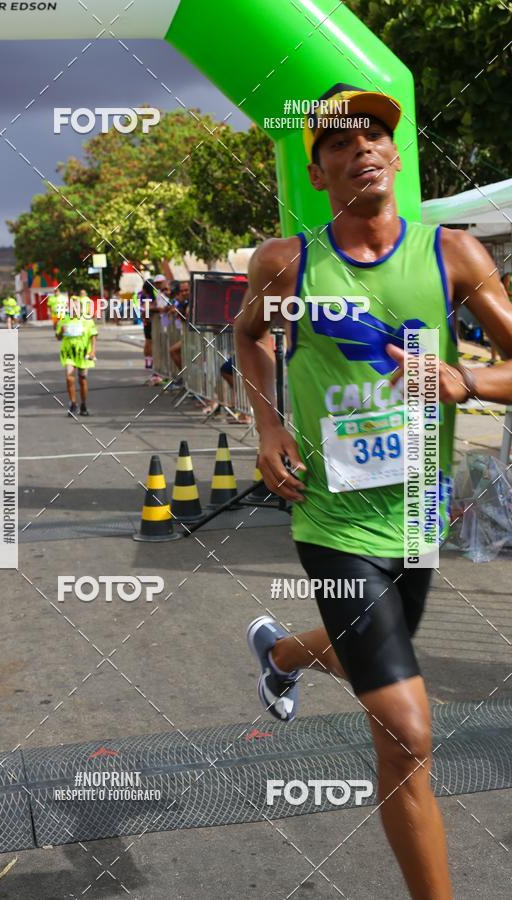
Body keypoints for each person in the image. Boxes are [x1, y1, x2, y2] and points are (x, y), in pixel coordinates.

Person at [235, 84, 512, 900]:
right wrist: (268, 427)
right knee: (409, 735)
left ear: (395, 156)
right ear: (317, 172)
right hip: (332, 516)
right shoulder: (287, 262)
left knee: (374, 649)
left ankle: (281, 653)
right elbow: (247, 337)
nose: (363, 149)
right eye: (340, 142)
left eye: (376, 136)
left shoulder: (454, 255)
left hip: (418, 513)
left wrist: (466, 380)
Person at [56, 295, 98, 417]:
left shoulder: (87, 320)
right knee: (69, 377)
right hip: (69, 353)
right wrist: (61, 332)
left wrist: (93, 352)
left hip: (83, 354)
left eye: (77, 307)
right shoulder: (64, 319)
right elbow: (58, 337)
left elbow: (93, 336)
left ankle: (83, 404)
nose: (74, 309)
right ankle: (73, 404)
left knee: (82, 379)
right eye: (71, 306)